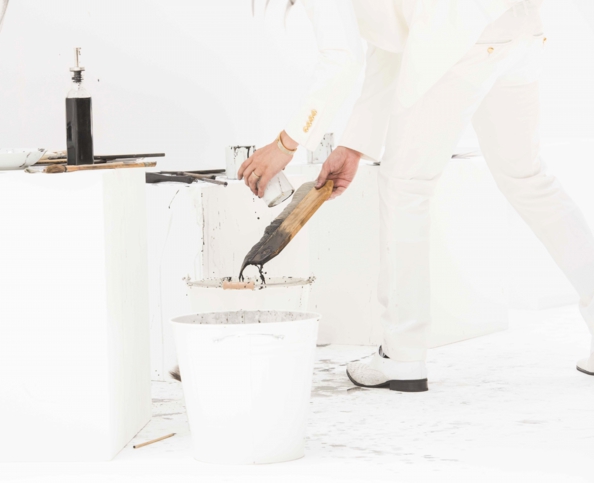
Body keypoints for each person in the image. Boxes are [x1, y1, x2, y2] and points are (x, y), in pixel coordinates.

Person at [238, 0, 594, 392]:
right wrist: (354, 145)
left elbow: (342, 59)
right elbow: (391, 47)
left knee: (406, 186)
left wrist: (285, 145)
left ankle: (402, 354)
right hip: (518, 27)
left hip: (458, 35)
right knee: (527, 177)